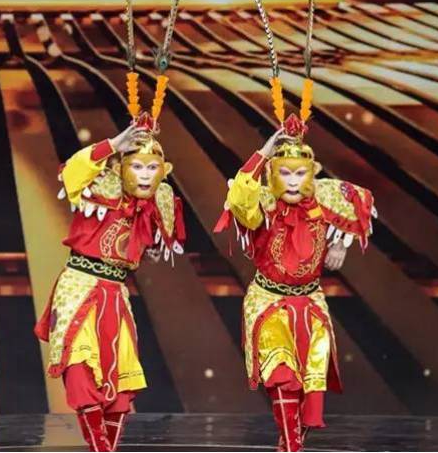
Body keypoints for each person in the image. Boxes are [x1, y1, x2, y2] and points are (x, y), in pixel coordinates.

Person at [214, 113, 376, 451]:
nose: (291, 181)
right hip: (269, 301)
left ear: (311, 175)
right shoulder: (264, 203)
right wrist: (265, 150)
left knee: (309, 377)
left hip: (310, 302)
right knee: (281, 374)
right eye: (284, 173)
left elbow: (360, 199)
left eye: (299, 173)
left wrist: (340, 243)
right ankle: (290, 445)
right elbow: (239, 197)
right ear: (273, 174)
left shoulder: (324, 198)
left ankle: (294, 435)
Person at [35, 112, 185, 452]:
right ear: (122, 166)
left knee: (119, 379)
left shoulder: (158, 200)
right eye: (137, 166)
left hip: (116, 293)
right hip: (80, 285)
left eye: (152, 167)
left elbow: (154, 248)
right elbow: (73, 170)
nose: (145, 174)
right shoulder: (100, 185)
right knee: (79, 364)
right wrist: (116, 143)